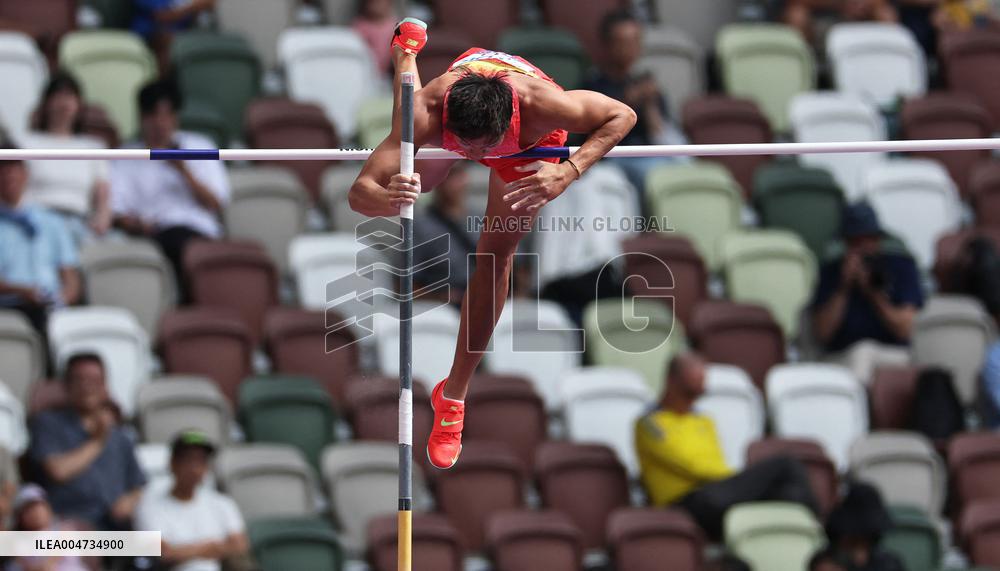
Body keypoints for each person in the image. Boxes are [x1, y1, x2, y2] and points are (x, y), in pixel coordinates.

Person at [350, 19, 637, 469]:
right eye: (471, 151)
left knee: (496, 257)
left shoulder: (544, 106)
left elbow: (623, 114)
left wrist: (569, 170)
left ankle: (454, 398)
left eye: (485, 150)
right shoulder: (427, 110)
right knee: (419, 177)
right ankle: (405, 56)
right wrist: (387, 198)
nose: (479, 161)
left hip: (526, 146)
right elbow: (359, 193)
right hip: (451, 112)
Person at [635, 352, 819, 540]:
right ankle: (822, 531)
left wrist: (735, 482)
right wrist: (739, 480)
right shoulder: (650, 424)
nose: (703, 377)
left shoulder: (703, 420)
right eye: (696, 372)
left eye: (703, 372)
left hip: (716, 493)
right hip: (683, 504)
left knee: (788, 495)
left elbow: (713, 460)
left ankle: (808, 540)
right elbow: (691, 465)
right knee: (785, 464)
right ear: (673, 378)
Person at [110, 79, 231, 301]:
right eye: (153, 115)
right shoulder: (125, 156)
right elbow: (117, 214)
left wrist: (183, 170)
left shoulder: (200, 147)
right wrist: (136, 225)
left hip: (199, 233)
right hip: (153, 234)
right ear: (141, 118)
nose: (160, 123)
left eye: (167, 115)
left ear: (176, 117)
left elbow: (216, 203)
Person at [27, 353, 146, 530]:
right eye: (80, 380)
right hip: (68, 526)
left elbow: (138, 485)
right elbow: (58, 471)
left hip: (114, 528)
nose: (87, 387)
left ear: (105, 387)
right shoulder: (47, 423)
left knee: (153, 546)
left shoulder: (121, 435)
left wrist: (129, 500)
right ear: (66, 386)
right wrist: (98, 441)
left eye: (95, 380)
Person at [810, 203, 924, 382]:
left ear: (878, 240)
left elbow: (905, 329)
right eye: (856, 242)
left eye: (869, 240)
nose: (864, 248)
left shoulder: (901, 267)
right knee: (862, 355)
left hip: (894, 354)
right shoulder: (831, 273)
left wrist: (874, 294)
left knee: (865, 354)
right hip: (842, 356)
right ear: (846, 244)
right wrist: (843, 288)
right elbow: (823, 334)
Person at [582, 8, 687, 197]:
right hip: (615, 156)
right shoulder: (593, 85)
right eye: (624, 42)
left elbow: (661, 134)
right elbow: (594, 134)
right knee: (652, 172)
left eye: (636, 41)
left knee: (688, 166)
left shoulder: (644, 83)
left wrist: (649, 104)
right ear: (607, 45)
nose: (632, 48)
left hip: (650, 151)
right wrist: (629, 100)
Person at [136, 430, 252, 571]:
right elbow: (162, 552)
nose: (195, 469)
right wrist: (212, 548)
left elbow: (239, 545)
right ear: (172, 463)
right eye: (189, 460)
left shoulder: (222, 503)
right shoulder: (149, 504)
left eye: (201, 461)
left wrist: (182, 551)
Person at [0, 139, 81, 337]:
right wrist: (22, 291)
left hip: (50, 307)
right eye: (3, 168)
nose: (9, 174)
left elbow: (70, 277)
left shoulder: (51, 221)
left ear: (25, 173)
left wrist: (61, 299)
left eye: (15, 167)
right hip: (9, 306)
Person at [22, 72, 112, 246]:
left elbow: (103, 195)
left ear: (79, 104)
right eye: (58, 96)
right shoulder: (25, 142)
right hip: (37, 222)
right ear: (46, 103)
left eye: (70, 96)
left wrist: (102, 220)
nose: (63, 103)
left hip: (79, 224)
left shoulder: (93, 146)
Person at [412, 163, 478, 306]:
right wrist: (440, 297)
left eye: (458, 174)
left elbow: (515, 267)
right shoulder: (419, 225)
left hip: (487, 297)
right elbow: (406, 284)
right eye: (448, 175)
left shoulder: (483, 218)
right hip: (445, 304)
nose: (455, 182)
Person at [809, 481, 905, 571]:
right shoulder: (826, 565)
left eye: (864, 545)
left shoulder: (888, 566)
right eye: (852, 543)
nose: (859, 556)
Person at [6, 484, 90, 571]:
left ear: (47, 507)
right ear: (20, 518)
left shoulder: (65, 529)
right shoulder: (21, 543)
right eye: (28, 510)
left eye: (37, 507)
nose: (35, 513)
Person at [131, 0, 216, 73]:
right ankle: (161, 84)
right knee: (170, 41)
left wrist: (201, 8)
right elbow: (163, 16)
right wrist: (195, 6)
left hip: (182, 34)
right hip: (147, 35)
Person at [783, 0, 899, 45]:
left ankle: (888, 70)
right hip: (821, 17)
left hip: (862, 13)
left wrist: (866, 4)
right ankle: (806, 73)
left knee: (886, 14)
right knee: (796, 15)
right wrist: (839, 4)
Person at [353, 0, 398, 76]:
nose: (376, 6)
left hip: (389, 74)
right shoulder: (359, 26)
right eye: (372, 2)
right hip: (365, 73)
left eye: (379, 2)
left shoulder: (395, 26)